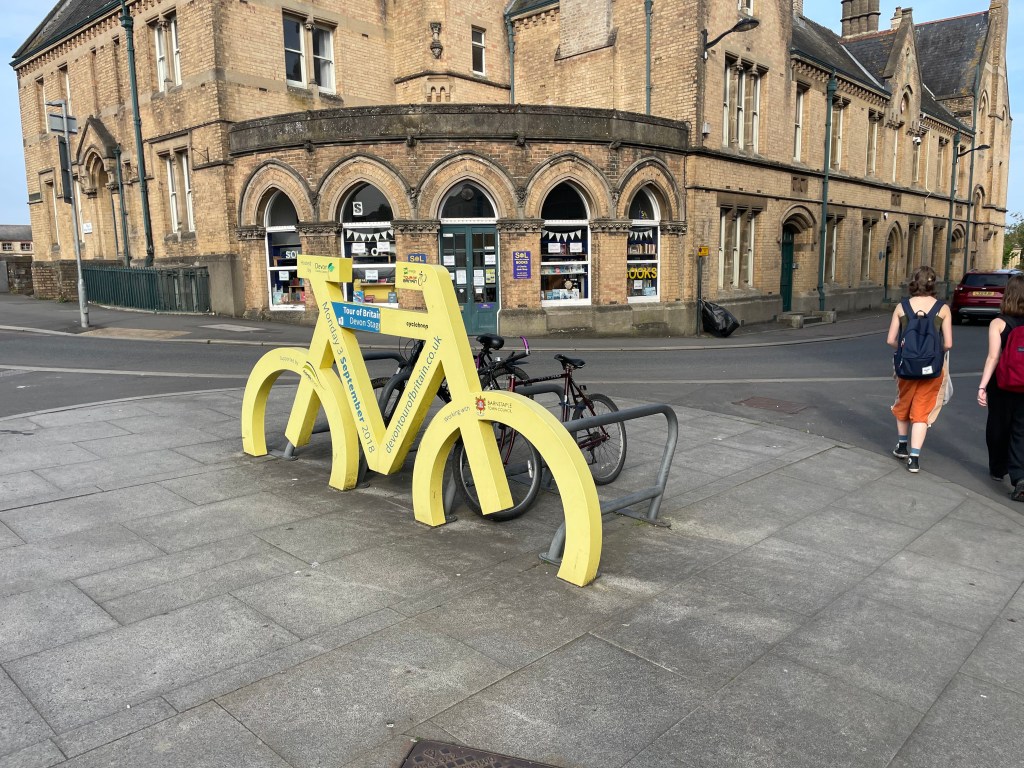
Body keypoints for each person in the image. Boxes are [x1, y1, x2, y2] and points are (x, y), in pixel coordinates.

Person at [886, 265, 953, 473]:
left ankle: (902, 446)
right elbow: (948, 343)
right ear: (933, 284)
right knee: (922, 410)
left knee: (903, 402)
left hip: (906, 366)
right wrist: (933, 353)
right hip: (932, 368)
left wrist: (906, 351)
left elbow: (890, 340)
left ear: (914, 282)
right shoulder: (942, 308)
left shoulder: (902, 307)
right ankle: (914, 459)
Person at [977, 273, 1024, 500]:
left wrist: (982, 386)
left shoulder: (999, 323)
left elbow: (993, 357)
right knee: (1020, 430)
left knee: (997, 426)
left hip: (1002, 383)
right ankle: (1020, 477)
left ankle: (998, 468)